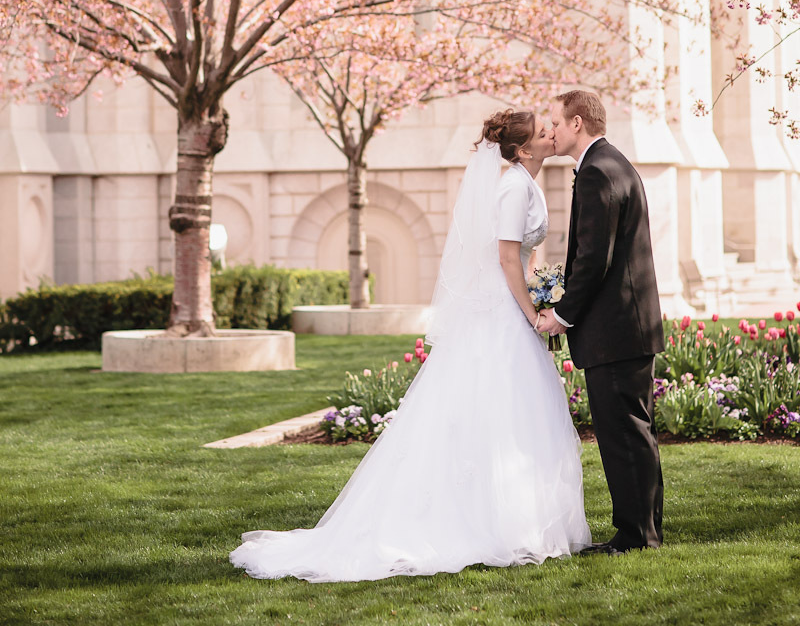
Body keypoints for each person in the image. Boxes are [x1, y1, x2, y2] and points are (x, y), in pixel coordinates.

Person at [230, 108, 591, 582]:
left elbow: (523, 253)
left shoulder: (527, 182)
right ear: (524, 149)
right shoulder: (512, 186)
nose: (553, 132)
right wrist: (532, 312)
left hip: (511, 307)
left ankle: (519, 515)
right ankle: (490, 524)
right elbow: (505, 257)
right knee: (500, 410)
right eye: (545, 130)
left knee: (513, 413)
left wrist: (542, 288)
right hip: (504, 314)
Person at [537, 89, 665, 555]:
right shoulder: (612, 163)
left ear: (577, 123)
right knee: (634, 432)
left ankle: (637, 536)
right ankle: (644, 530)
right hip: (627, 326)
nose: (550, 129)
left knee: (624, 434)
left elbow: (594, 258)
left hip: (616, 330)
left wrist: (562, 315)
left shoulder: (595, 171)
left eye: (555, 120)